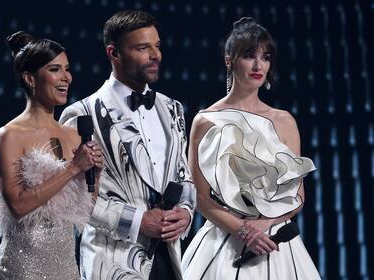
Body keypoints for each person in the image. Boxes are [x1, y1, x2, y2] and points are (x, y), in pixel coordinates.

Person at [59, 10, 196, 280]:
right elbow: (73, 201)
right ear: (114, 53)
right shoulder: (81, 114)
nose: (155, 55)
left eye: (157, 46)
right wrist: (138, 222)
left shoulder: (173, 109)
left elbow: (184, 175)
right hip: (112, 264)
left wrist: (187, 213)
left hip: (169, 258)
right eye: (142, 48)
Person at [181, 17, 321, 279]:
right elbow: (198, 196)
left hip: (277, 242)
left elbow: (298, 195)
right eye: (249, 55)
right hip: (224, 239)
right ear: (229, 59)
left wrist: (265, 223)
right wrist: (243, 230)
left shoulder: (284, 121)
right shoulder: (205, 120)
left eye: (265, 57)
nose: (259, 65)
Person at [0, 31, 103, 280]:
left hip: (66, 266)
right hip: (22, 267)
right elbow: (18, 205)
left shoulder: (72, 135)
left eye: (67, 69)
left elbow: (85, 210)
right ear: (30, 78)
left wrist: (95, 175)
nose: (66, 77)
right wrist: (72, 169)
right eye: (55, 69)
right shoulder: (10, 135)